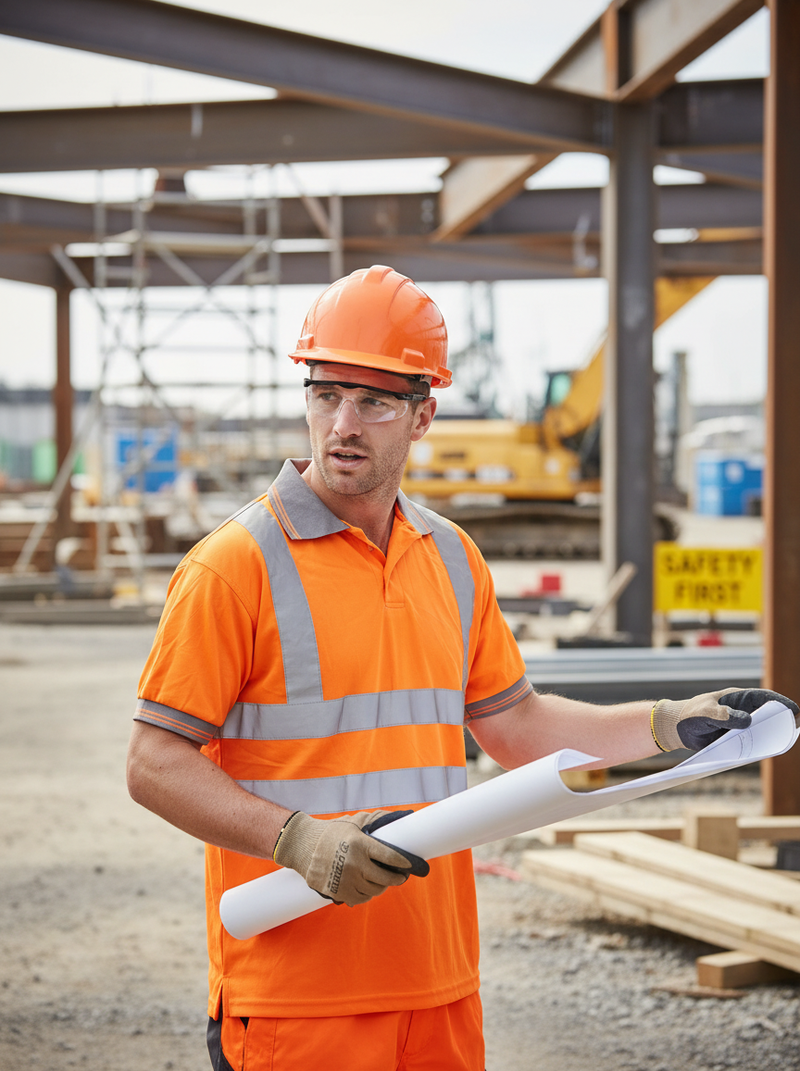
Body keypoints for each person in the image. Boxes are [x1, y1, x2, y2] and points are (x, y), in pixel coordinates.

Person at [127, 264, 797, 1071]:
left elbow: (517, 726)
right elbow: (153, 764)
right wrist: (297, 841)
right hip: (298, 993)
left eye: (374, 401)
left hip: (438, 981)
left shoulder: (449, 557)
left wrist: (662, 723)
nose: (344, 423)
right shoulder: (231, 567)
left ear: (422, 416)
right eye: (326, 393)